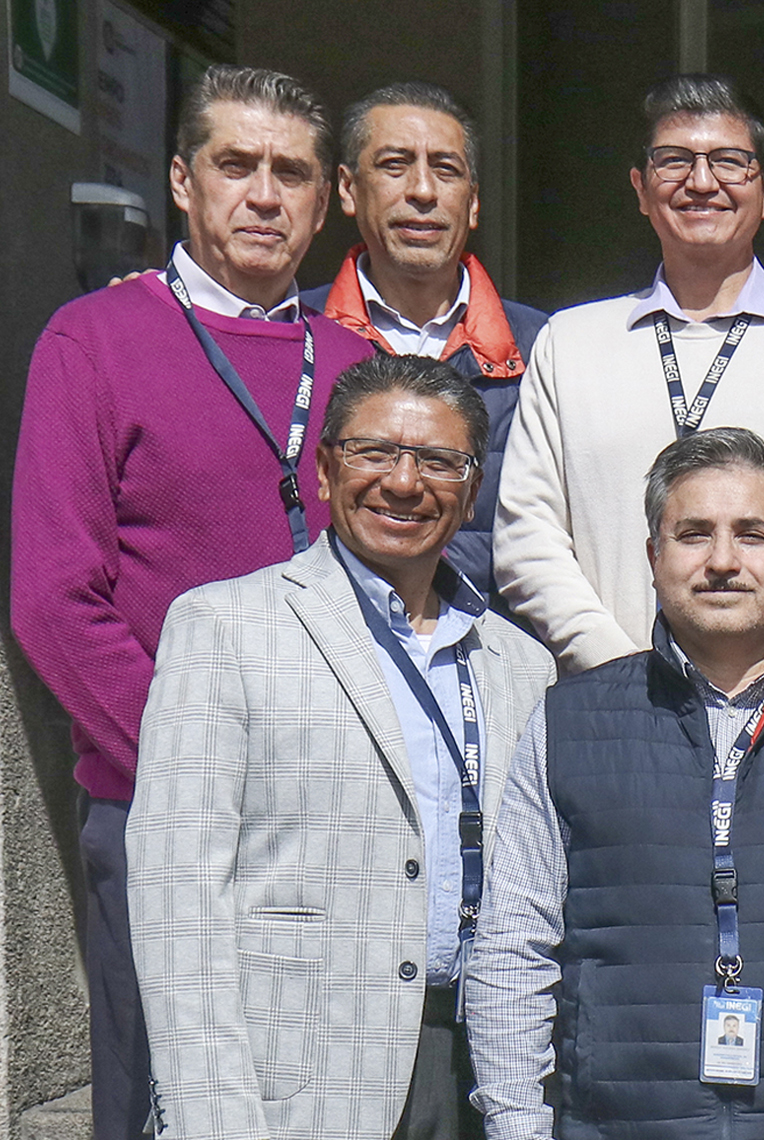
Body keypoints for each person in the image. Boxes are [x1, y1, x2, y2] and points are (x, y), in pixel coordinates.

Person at [10, 64, 373, 1140]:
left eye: (291, 173)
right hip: (167, 814)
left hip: (332, 822)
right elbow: (54, 602)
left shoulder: (356, 365)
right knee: (174, 1108)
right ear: (182, 179)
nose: (263, 194)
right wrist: (199, 771)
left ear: (325, 200)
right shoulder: (94, 344)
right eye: (236, 165)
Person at [466, 427, 764, 1140]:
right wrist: (516, 1126)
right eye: (693, 534)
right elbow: (514, 942)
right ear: (654, 557)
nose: (722, 560)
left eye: (752, 534)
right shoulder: (569, 721)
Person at [130, 355, 557, 1140]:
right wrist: (210, 1117)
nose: (403, 482)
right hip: (289, 1087)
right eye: (373, 452)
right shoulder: (226, 627)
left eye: (438, 461)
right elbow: (176, 899)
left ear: (470, 491)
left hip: (474, 1074)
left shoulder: (522, 667)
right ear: (324, 470)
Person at [496, 73, 764, 672]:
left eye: (730, 162)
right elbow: (529, 538)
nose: (701, 182)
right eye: (674, 161)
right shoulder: (570, 344)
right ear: (640, 188)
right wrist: (621, 672)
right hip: (613, 701)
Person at [303, 81, 547, 598]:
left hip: (497, 655)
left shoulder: (545, 349)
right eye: (394, 165)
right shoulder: (291, 333)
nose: (422, 191)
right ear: (347, 188)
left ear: (474, 203)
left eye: (446, 169)